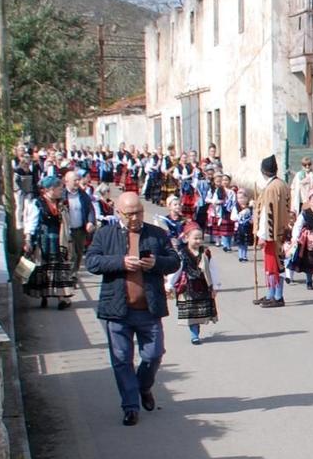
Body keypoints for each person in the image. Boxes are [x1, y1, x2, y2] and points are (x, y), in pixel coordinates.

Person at [84, 191, 180, 426]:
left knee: (154, 354)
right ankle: (130, 406)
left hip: (148, 308)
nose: (134, 218)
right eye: (129, 214)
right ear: (118, 213)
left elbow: (175, 261)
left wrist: (157, 263)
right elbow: (92, 262)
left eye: (138, 212)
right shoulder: (105, 234)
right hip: (117, 310)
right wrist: (120, 262)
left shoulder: (157, 234)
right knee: (121, 359)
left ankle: (144, 386)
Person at [24, 180, 77, 310]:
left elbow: (66, 222)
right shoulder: (38, 203)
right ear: (49, 189)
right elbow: (32, 222)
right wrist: (28, 239)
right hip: (43, 239)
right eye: (59, 189)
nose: (61, 191)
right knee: (44, 267)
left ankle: (61, 298)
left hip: (59, 240)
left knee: (59, 267)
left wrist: (68, 237)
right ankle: (44, 296)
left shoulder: (61, 204)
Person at [171, 225, 221, 344]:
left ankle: (196, 328)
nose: (198, 241)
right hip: (187, 286)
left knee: (199, 311)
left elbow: (212, 269)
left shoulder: (206, 252)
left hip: (203, 285)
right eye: (195, 238)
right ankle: (194, 334)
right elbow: (177, 269)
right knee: (191, 312)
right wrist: (170, 284)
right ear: (187, 238)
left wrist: (215, 286)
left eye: (200, 238)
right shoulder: (182, 253)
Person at [255, 155, 293, 308]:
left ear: (263, 171)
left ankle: (277, 296)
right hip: (281, 230)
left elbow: (267, 214)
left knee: (274, 266)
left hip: (272, 233)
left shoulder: (270, 189)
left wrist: (262, 235)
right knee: (276, 264)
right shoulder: (282, 184)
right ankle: (271, 293)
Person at [62, 169, 98, 272]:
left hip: (80, 230)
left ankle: (74, 274)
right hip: (67, 230)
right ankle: (70, 276)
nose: (78, 183)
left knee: (78, 254)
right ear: (67, 181)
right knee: (71, 254)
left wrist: (90, 222)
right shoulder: (62, 195)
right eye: (75, 180)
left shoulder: (83, 195)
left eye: (78, 180)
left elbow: (90, 209)